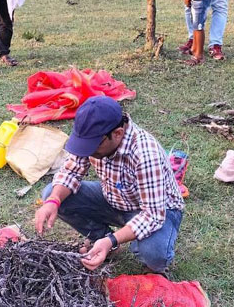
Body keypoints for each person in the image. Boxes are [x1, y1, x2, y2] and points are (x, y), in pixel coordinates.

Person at [35, 96, 184, 273]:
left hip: (158, 210)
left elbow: (152, 216)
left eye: (93, 146)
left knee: (154, 253)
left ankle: (118, 246)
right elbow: (71, 171)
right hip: (115, 198)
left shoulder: (146, 154)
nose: (87, 151)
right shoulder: (95, 139)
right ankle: (104, 242)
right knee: (52, 193)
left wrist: (112, 239)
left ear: (118, 134)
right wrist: (53, 201)